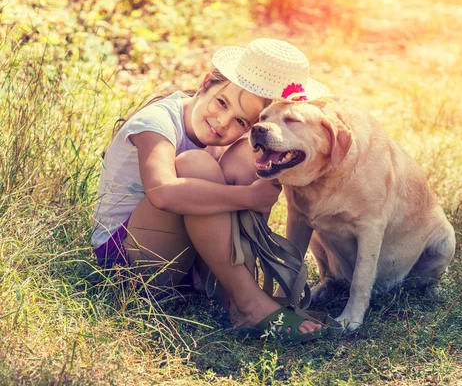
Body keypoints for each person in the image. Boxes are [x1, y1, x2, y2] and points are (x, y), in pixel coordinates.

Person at [91, 38, 330, 342]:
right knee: (195, 165)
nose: (222, 122)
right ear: (206, 83)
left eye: (240, 121)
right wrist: (248, 197)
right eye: (221, 102)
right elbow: (162, 193)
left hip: (182, 264)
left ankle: (227, 293)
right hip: (129, 264)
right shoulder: (158, 123)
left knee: (250, 157)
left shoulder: (231, 137)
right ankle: (247, 301)